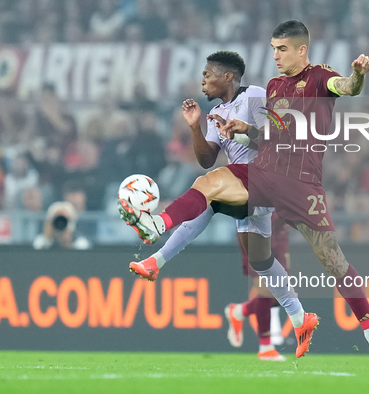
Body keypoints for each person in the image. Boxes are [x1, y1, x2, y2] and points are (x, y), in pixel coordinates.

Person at [121, 20, 369, 370]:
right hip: (267, 171)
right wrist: (244, 131)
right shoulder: (275, 86)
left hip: (302, 183)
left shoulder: (319, 77)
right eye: (273, 49)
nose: (276, 56)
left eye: (282, 49)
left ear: (301, 49)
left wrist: (359, 75)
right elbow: (272, 137)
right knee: (211, 182)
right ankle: (157, 225)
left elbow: (348, 87)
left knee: (333, 261)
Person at [122, 51, 287, 361]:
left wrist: (245, 129)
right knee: (263, 271)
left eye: (208, 73)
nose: (202, 80)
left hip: (269, 184)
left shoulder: (254, 96)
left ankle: (159, 240)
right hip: (247, 193)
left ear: (228, 76)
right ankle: (269, 339)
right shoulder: (216, 112)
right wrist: (196, 127)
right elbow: (206, 158)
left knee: (210, 196)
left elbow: (276, 139)